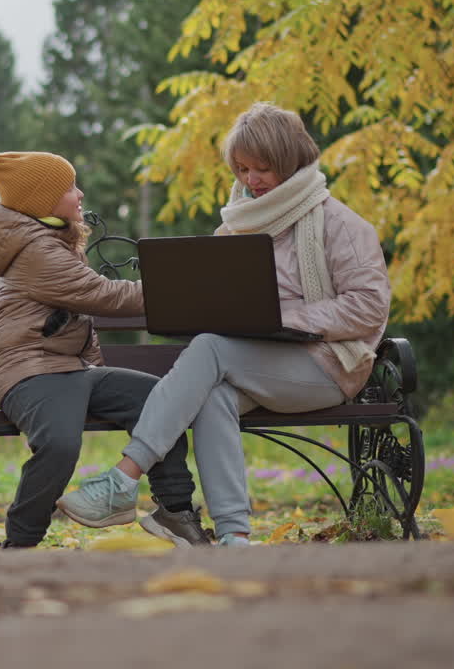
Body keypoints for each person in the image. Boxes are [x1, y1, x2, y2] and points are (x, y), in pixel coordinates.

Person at [56, 103, 391, 546]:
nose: (251, 181)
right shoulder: (237, 224)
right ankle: (234, 536)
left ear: (291, 162)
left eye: (262, 168)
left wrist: (285, 318)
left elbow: (369, 307)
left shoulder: (339, 223)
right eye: (242, 169)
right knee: (214, 393)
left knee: (212, 348)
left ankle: (123, 479)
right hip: (251, 359)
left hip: (327, 366)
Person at [0, 151, 212, 549]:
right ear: (41, 201)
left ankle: (175, 511)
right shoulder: (37, 250)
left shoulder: (51, 238)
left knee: (161, 401)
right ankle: (20, 542)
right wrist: (183, 289)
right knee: (60, 444)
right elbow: (99, 295)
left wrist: (94, 374)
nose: (79, 192)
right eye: (69, 187)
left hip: (68, 368)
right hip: (26, 369)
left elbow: (75, 316)